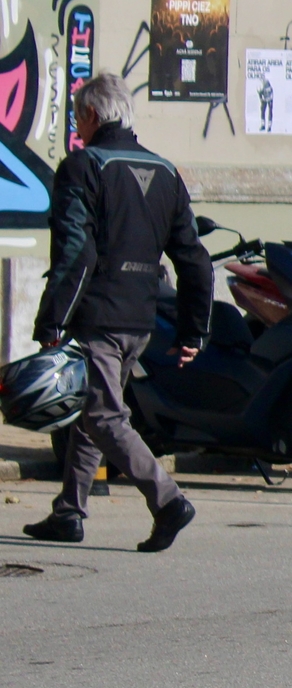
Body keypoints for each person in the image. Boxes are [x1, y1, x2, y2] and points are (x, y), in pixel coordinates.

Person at [23, 73, 213, 551]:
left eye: (76, 116)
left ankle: (168, 500)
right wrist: (192, 329)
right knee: (94, 413)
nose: (76, 126)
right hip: (140, 321)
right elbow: (194, 259)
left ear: (91, 115)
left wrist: (52, 321)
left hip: (98, 318)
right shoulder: (166, 172)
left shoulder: (83, 166)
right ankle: (69, 512)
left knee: (105, 417)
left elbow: (75, 252)